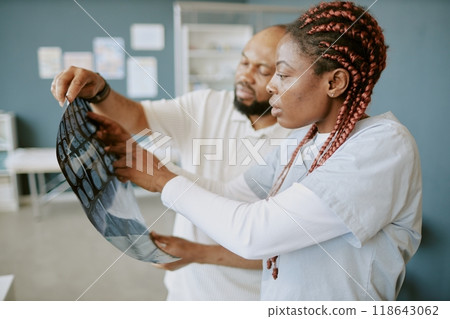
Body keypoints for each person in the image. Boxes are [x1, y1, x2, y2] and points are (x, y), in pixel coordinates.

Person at [104, 1, 423, 300]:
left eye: (282, 74)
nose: (271, 85)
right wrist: (149, 166)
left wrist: (161, 179)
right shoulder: (302, 141)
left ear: (334, 82)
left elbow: (255, 233)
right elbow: (231, 193)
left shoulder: (383, 146)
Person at [51, 25, 291, 300]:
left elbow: (280, 246)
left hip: (250, 298)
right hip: (185, 291)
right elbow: (139, 118)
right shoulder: (208, 104)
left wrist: (197, 250)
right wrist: (100, 92)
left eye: (263, 70)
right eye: (244, 62)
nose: (245, 76)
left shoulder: (302, 141)